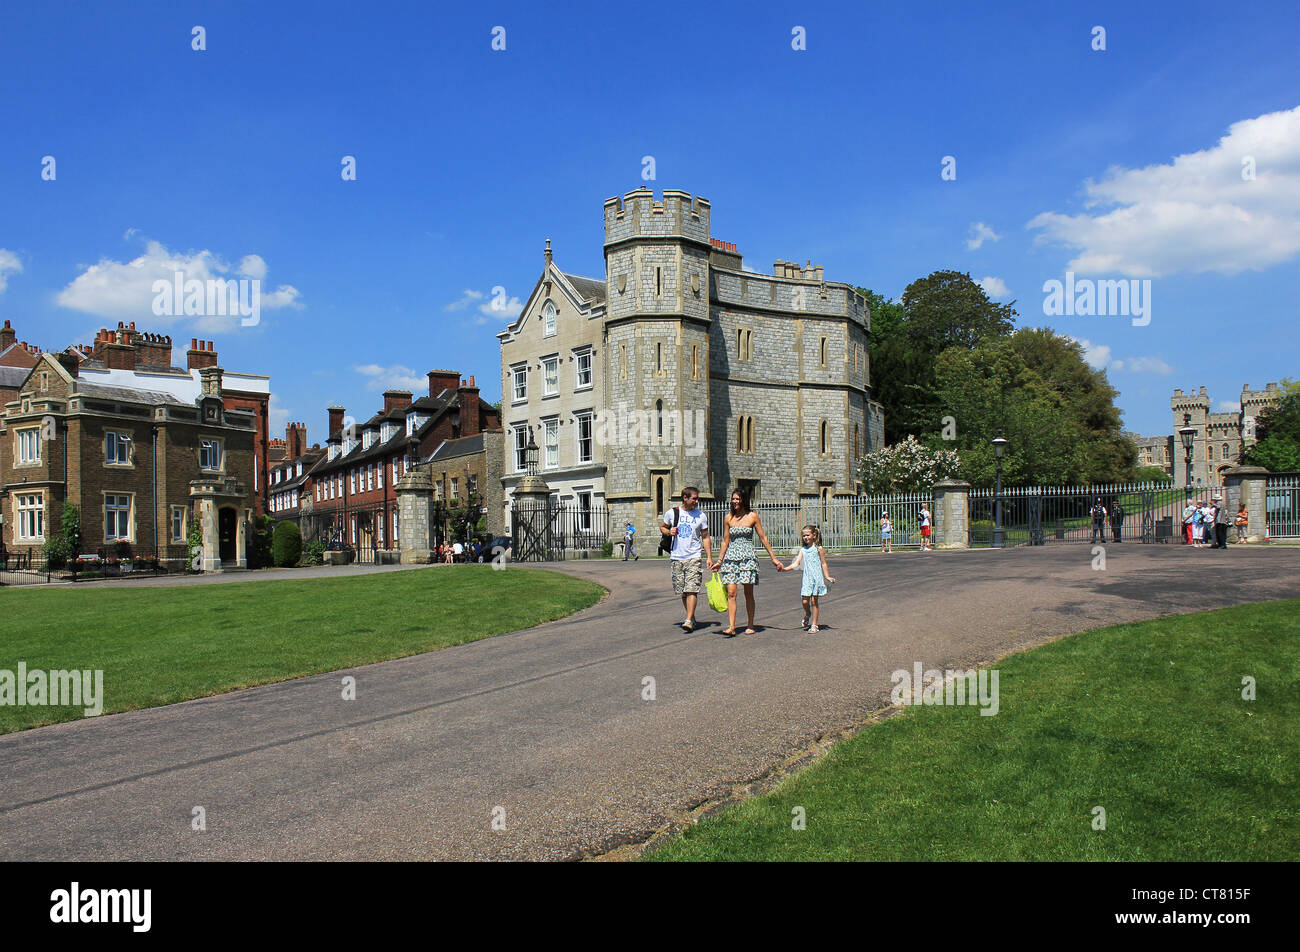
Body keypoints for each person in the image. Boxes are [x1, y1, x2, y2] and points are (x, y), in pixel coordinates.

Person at [710, 488, 782, 636]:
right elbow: (725, 541)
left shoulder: (752, 516)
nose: (735, 502)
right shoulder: (728, 518)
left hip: (747, 557)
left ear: (743, 500)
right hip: (731, 558)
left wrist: (773, 558)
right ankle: (731, 627)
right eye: (733, 499)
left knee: (748, 593)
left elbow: (763, 538)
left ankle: (750, 624)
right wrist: (719, 560)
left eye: (738, 499)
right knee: (731, 592)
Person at [661, 487, 712, 633]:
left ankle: (688, 620)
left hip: (694, 556)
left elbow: (706, 536)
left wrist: (709, 557)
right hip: (677, 556)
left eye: (697, 498)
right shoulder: (672, 513)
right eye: (694, 498)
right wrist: (668, 531)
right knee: (683, 591)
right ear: (685, 498)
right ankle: (692, 616)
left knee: (692, 589)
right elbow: (663, 527)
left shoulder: (701, 516)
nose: (697, 501)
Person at [779, 525, 836, 633]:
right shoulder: (803, 550)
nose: (805, 537)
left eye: (807, 535)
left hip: (817, 578)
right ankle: (807, 613)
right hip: (807, 578)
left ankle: (814, 625)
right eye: (803, 535)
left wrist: (827, 576)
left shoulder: (819, 549)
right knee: (805, 602)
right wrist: (785, 569)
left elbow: (824, 563)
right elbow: (796, 563)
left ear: (814, 535)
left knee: (814, 601)